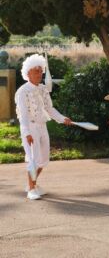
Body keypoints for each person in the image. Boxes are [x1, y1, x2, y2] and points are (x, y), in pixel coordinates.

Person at [15, 54, 72, 200]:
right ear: (28, 73)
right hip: (30, 127)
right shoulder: (22, 91)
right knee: (33, 159)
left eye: (41, 71)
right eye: (36, 71)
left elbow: (49, 109)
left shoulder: (43, 89)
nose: (40, 74)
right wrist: (27, 132)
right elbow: (23, 114)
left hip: (42, 126)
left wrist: (62, 118)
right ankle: (31, 189)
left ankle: (32, 184)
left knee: (43, 159)